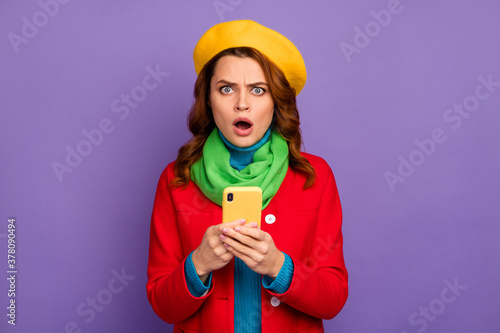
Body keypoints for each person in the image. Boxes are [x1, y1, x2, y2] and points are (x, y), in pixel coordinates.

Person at [147, 20, 348, 333]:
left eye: (258, 90)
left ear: (276, 101)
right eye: (226, 89)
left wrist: (277, 267)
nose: (242, 103)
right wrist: (199, 263)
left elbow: (333, 299)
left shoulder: (315, 176)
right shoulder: (176, 179)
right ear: (208, 100)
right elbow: (162, 304)